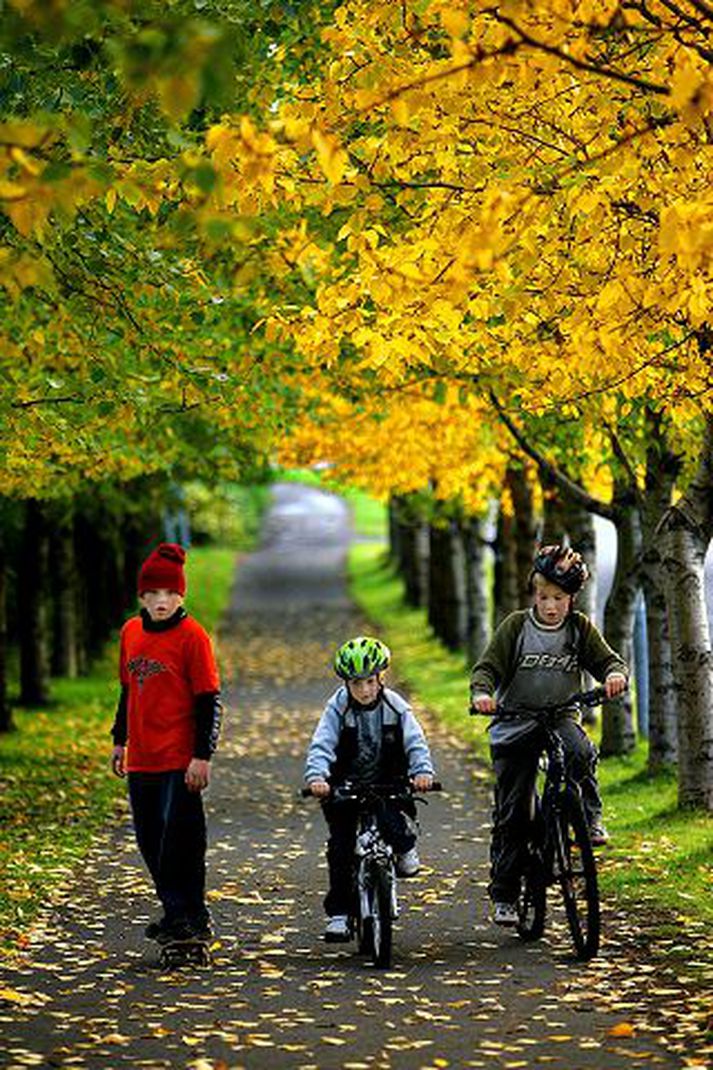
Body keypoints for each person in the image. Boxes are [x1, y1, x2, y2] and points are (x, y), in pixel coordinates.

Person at [469, 544, 628, 928]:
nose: (550, 605)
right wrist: (482, 694)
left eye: (558, 598)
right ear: (533, 595)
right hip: (515, 721)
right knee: (514, 813)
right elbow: (487, 668)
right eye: (543, 597)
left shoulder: (579, 629)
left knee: (579, 750)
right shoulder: (517, 627)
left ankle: (587, 817)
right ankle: (505, 891)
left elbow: (607, 660)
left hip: (560, 716)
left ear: (571, 599)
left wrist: (613, 675)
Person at [110, 542, 222, 946]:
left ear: (181, 596)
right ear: (142, 596)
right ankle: (183, 911)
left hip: (180, 758)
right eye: (153, 594)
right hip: (143, 758)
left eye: (170, 594)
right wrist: (119, 741)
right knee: (150, 841)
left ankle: (183, 915)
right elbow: (128, 692)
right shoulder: (131, 633)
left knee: (182, 842)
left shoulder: (193, 637)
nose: (162, 601)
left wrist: (202, 756)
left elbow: (209, 699)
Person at [305, 635, 436, 942]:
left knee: (395, 820)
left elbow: (415, 742)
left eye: (369, 682)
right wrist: (318, 777)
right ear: (346, 684)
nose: (363, 690)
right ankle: (339, 913)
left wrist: (422, 772)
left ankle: (404, 848)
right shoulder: (337, 707)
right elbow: (322, 744)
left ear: (381, 678)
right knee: (341, 847)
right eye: (355, 684)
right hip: (345, 783)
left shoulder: (396, 706)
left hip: (388, 779)